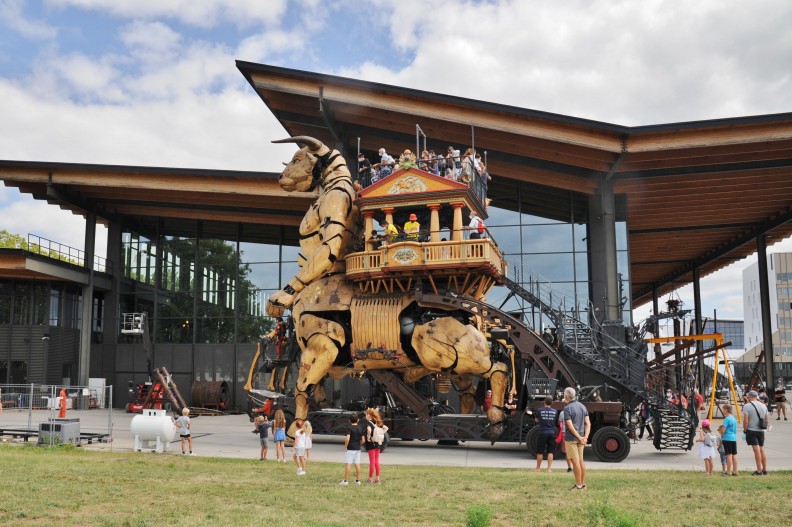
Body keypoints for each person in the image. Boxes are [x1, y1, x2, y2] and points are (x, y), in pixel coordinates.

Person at [563, 386, 590, 490]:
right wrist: (585, 437)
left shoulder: (567, 408)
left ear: (566, 396)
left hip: (571, 438)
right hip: (582, 437)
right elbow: (588, 423)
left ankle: (579, 486)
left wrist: (578, 437)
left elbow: (570, 426)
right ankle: (582, 484)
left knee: (575, 462)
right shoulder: (583, 406)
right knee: (581, 461)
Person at [743, 389, 769, 476]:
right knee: (761, 449)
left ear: (750, 396)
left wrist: (745, 430)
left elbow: (746, 421)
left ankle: (759, 470)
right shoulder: (763, 406)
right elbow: (766, 420)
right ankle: (765, 470)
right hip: (761, 430)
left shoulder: (747, 406)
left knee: (756, 451)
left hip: (751, 430)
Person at [534, 396, 558, 473]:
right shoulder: (555, 411)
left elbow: (536, 419)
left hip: (542, 432)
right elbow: (554, 420)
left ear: (544, 402)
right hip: (552, 432)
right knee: (550, 451)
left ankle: (538, 468)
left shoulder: (539, 410)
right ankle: (549, 468)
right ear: (552, 403)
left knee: (540, 451)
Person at [363, 407, 388, 484]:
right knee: (377, 461)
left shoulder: (368, 423)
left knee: (372, 461)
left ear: (369, 415)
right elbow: (386, 428)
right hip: (378, 443)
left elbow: (369, 430)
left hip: (371, 444)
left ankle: (370, 479)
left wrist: (369, 438)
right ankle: (377, 479)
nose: (365, 416)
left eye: (366, 414)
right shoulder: (378, 422)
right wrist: (380, 434)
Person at [340, 414, 364, 485]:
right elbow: (363, 440)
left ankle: (345, 481)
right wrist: (359, 444)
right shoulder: (360, 428)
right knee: (357, 464)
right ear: (358, 420)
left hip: (350, 448)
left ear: (349, 420)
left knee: (348, 464)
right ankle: (357, 480)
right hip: (358, 448)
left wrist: (345, 446)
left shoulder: (349, 428)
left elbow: (347, 438)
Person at [721, 403, 739, 476]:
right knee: (734, 454)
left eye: (723, 409)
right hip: (733, 438)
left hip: (727, 437)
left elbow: (723, 430)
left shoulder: (726, 419)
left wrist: (721, 434)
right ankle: (735, 471)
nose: (723, 411)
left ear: (726, 410)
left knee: (728, 455)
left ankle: (728, 471)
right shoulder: (733, 418)